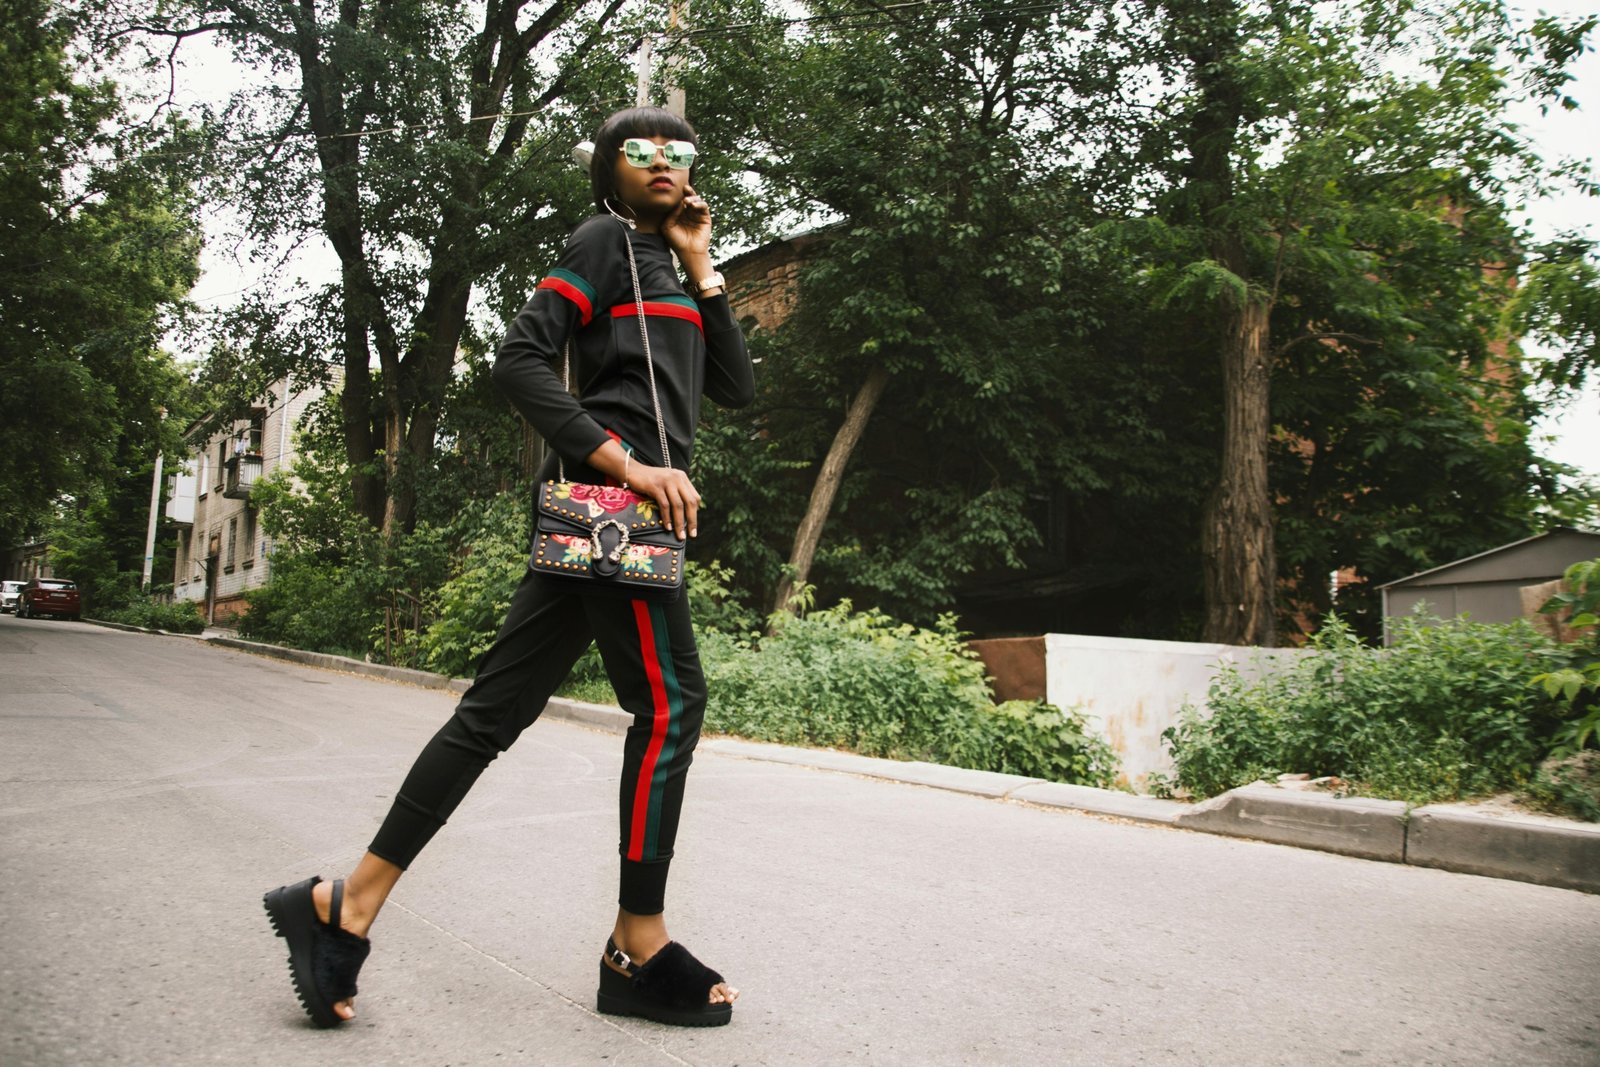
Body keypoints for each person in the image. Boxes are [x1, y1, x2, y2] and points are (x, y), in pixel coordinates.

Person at [263, 106, 754, 1030]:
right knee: (671, 706)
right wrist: (629, 465)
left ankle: (345, 904)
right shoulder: (603, 241)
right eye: (638, 150)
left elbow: (735, 386)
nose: (661, 161)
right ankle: (638, 943)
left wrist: (702, 266)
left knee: (492, 712)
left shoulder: (671, 262)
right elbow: (519, 360)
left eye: (677, 151)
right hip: (613, 515)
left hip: (611, 523)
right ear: (607, 169)